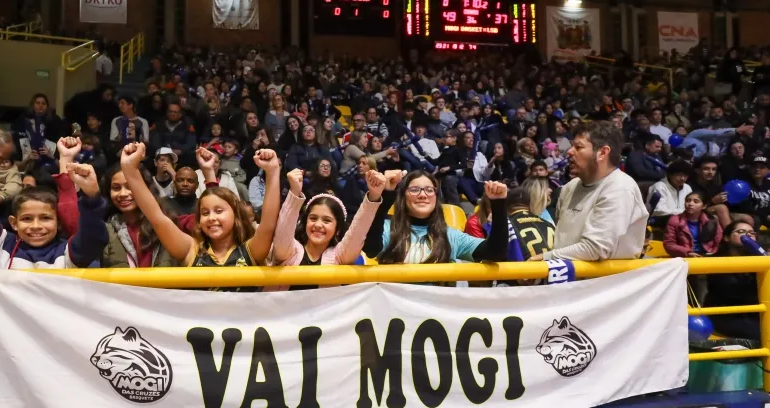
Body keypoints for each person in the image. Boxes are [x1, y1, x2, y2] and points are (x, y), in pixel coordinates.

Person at [118, 143, 281, 290]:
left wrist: (272, 172)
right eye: (205, 213)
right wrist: (130, 169)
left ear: (235, 215)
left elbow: (268, 224)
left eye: (219, 211)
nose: (211, 218)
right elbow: (157, 218)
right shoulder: (191, 251)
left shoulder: (251, 250)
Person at [0, 131, 108, 269]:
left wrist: (92, 197)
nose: (36, 226)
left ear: (58, 222)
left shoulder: (68, 253)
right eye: (27, 218)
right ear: (13, 223)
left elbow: (94, 239)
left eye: (45, 218)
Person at [533, 121, 648, 261]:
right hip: (566, 272)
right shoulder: (570, 187)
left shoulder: (620, 188)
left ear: (602, 153)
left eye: (578, 147)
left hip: (610, 276)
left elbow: (595, 249)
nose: (569, 151)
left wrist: (545, 259)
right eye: (571, 146)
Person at [266, 168, 385, 290]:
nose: (318, 225)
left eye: (327, 220)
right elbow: (283, 232)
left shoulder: (339, 256)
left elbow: (357, 232)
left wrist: (373, 196)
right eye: (313, 218)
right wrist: (294, 192)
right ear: (305, 222)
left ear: (337, 229)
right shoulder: (290, 251)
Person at [364, 170, 509, 265]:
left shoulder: (450, 236)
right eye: (414, 189)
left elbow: (495, 253)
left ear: (436, 197)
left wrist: (498, 204)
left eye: (429, 190)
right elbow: (371, 248)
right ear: (403, 197)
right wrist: (386, 195)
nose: (422, 195)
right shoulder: (388, 229)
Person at [99, 164, 175, 268]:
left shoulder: (166, 222)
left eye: (130, 186)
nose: (123, 194)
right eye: (116, 188)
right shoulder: (107, 229)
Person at [705, 221, 759, 340]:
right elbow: (729, 291)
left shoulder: (760, 259)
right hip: (726, 314)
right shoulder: (715, 261)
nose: (748, 235)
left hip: (754, 313)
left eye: (752, 233)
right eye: (741, 231)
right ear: (726, 237)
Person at [663, 191, 722, 258]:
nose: (690, 204)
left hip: (709, 256)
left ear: (704, 206)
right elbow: (669, 244)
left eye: (696, 202)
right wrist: (688, 253)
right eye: (688, 201)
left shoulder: (711, 220)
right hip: (685, 257)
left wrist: (713, 253)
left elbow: (719, 241)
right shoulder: (675, 220)